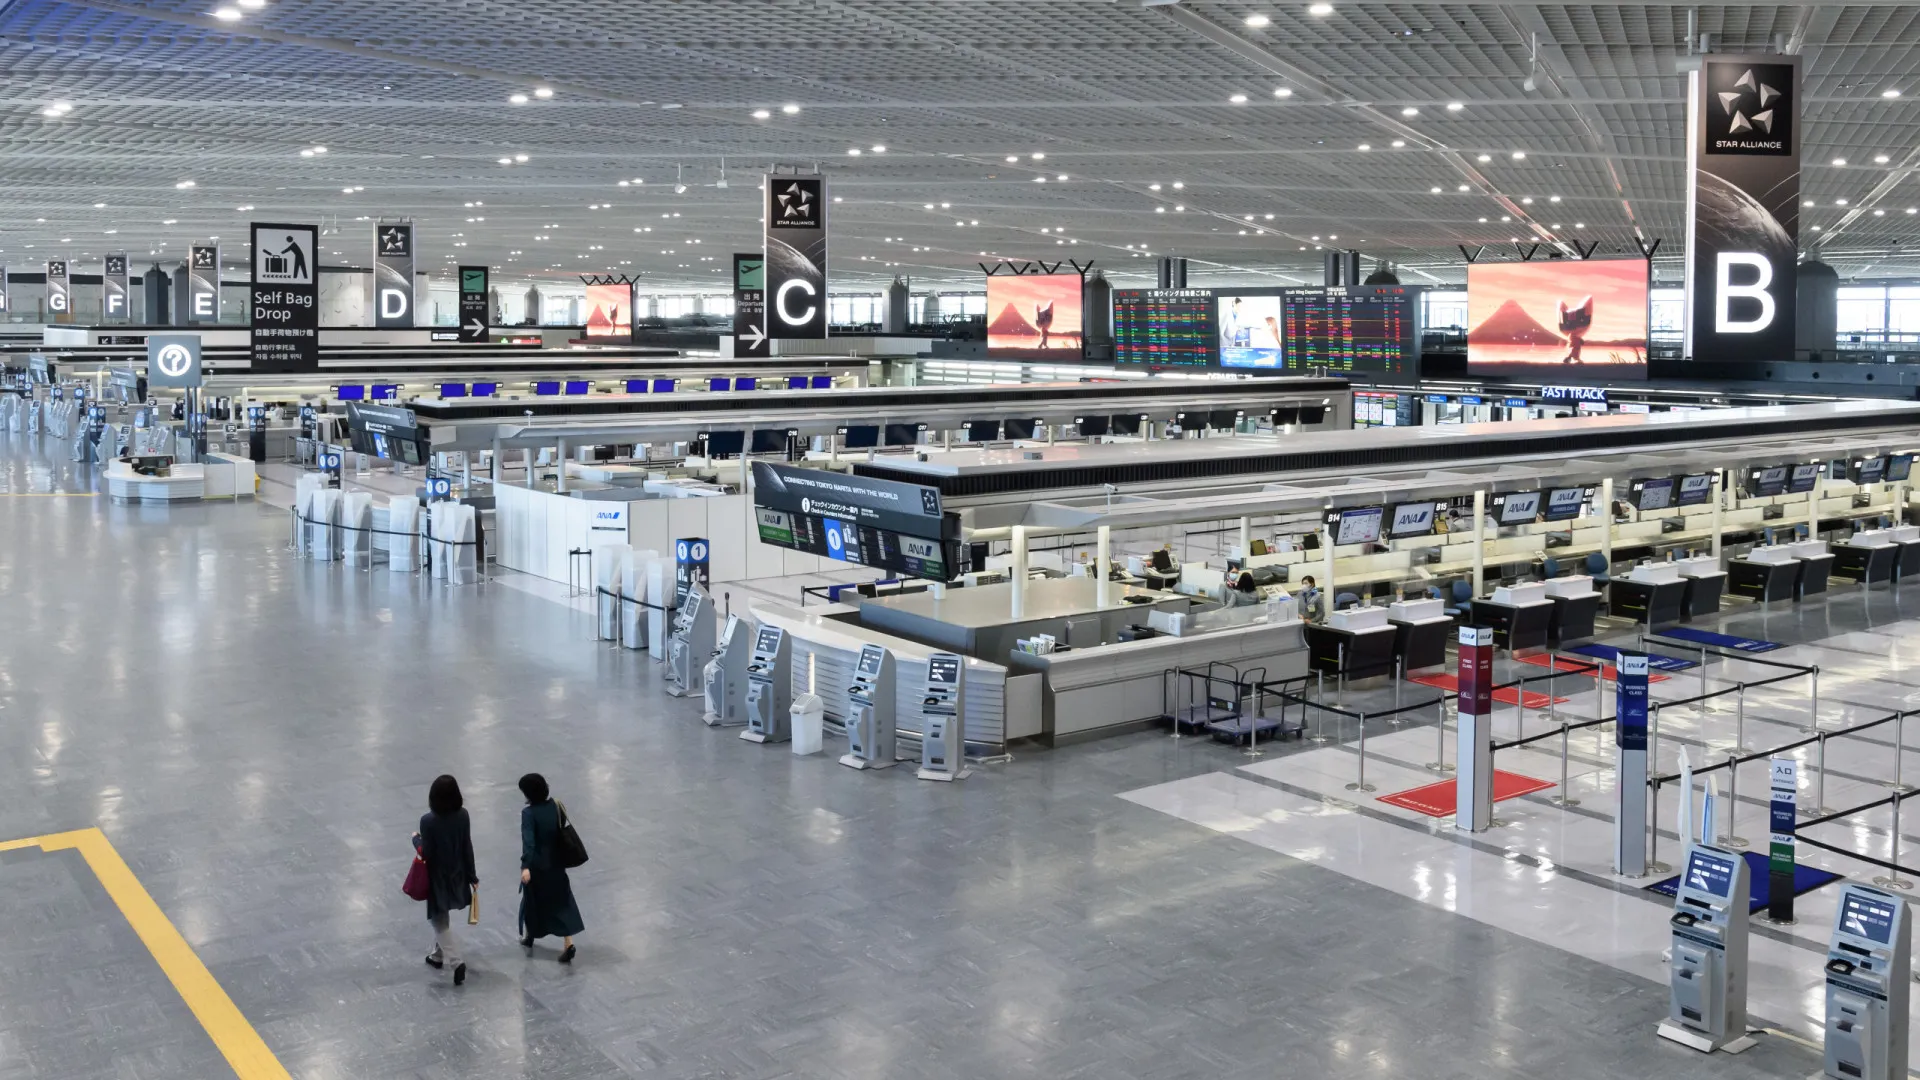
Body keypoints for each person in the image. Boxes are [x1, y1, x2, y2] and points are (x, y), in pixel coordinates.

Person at [417, 774, 477, 985]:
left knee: (438, 919)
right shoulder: (463, 815)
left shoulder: (428, 821)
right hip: (457, 872)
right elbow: (467, 845)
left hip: (437, 876)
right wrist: (472, 874)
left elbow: (427, 852)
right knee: (444, 914)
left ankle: (456, 961)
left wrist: (416, 840)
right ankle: (437, 955)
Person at [518, 773, 584, 963]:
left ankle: (530, 935)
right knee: (562, 900)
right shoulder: (555, 805)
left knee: (532, 900)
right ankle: (568, 943)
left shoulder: (528, 814)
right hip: (557, 861)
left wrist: (525, 866)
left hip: (538, 865)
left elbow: (529, 843)